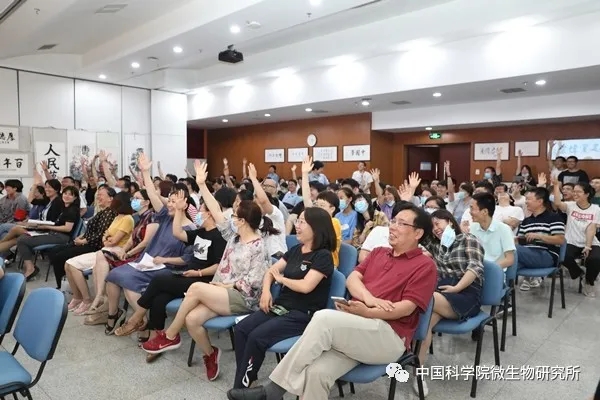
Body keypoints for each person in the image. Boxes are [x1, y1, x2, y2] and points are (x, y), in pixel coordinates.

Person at [226, 203, 437, 400]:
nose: (393, 227)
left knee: (323, 318)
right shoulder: (379, 253)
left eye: (402, 223)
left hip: (387, 337)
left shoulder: (424, 266)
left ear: (418, 233)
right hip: (356, 329)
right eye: (393, 221)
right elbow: (352, 279)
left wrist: (367, 311)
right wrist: (369, 299)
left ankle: (274, 390)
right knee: (316, 373)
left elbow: (405, 308)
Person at [141, 161, 270, 381]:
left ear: (244, 221)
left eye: (235, 217)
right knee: (192, 319)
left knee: (195, 288)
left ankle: (170, 335)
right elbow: (216, 211)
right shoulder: (233, 237)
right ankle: (211, 354)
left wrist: (225, 285)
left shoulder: (258, 246)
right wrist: (201, 185)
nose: (231, 219)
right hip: (221, 291)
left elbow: (254, 284)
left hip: (243, 298)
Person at [115, 192, 227, 361]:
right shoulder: (200, 232)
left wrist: (198, 273)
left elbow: (218, 267)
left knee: (159, 280)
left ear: (210, 214)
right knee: (159, 299)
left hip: (202, 280)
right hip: (189, 275)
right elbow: (178, 233)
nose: (198, 214)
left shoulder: (219, 236)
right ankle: (159, 338)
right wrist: (180, 211)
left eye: (201, 211)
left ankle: (136, 318)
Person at [232, 207, 336, 389]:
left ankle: (240, 388)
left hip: (302, 314)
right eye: (298, 221)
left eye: (302, 222)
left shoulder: (323, 256)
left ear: (316, 228)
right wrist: (266, 292)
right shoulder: (296, 250)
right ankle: (248, 380)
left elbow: (306, 286)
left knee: (257, 337)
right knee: (241, 329)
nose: (297, 225)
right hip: (281, 306)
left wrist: (281, 279)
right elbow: (270, 271)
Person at [103, 153, 195, 335]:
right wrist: (145, 172)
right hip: (148, 262)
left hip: (166, 268)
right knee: (113, 275)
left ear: (184, 205)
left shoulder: (191, 229)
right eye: (169, 200)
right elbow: (152, 195)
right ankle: (116, 315)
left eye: (173, 201)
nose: (169, 204)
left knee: (127, 282)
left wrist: (163, 259)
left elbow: (187, 260)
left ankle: (139, 320)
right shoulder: (166, 217)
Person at [418, 209, 484, 396]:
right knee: (424, 324)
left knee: (424, 299)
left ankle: (402, 351)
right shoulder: (436, 244)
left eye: (438, 224)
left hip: (467, 293)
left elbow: (475, 267)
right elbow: (418, 227)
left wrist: (457, 287)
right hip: (442, 292)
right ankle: (418, 372)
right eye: (432, 226)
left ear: (450, 221)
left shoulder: (468, 239)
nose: (435, 229)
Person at [63, 191, 135, 315]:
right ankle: (77, 297)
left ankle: (87, 300)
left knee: (72, 265)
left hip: (113, 253)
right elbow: (105, 237)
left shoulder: (128, 219)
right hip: (104, 250)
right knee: (67, 264)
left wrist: (107, 239)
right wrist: (107, 239)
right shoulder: (117, 217)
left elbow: (113, 241)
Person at [47, 185, 117, 288]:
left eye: (101, 195)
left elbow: (100, 234)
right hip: (86, 241)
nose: (98, 197)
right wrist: (81, 236)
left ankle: (64, 285)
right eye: (98, 195)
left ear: (110, 198)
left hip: (94, 246)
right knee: (54, 251)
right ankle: (66, 282)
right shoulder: (103, 211)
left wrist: (83, 241)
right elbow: (91, 229)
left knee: (60, 256)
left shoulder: (109, 213)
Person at [15, 186, 81, 281]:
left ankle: (30, 269)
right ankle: (30, 267)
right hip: (54, 233)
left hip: (62, 237)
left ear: (75, 198)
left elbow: (67, 228)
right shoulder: (65, 208)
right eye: (65, 193)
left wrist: (47, 227)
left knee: (22, 240)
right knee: (22, 237)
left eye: (70, 195)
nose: (66, 196)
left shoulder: (72, 210)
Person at [551, 181, 599, 297]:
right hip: (571, 241)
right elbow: (557, 203)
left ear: (587, 194)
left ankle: (589, 282)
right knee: (563, 256)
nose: (575, 194)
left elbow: (591, 228)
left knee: (596, 258)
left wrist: (588, 246)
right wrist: (556, 186)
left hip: (590, 241)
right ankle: (579, 273)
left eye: (578, 192)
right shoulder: (570, 205)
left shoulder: (595, 209)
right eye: (574, 191)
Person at [516, 187, 565, 291]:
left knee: (512, 250)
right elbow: (520, 240)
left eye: (529, 199)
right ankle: (505, 295)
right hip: (526, 254)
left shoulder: (554, 217)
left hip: (547, 255)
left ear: (540, 201)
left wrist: (539, 236)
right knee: (504, 266)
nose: (526, 202)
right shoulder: (526, 221)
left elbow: (560, 240)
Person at [469, 193, 516, 271]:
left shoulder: (504, 229)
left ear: (485, 211)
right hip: (475, 270)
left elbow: (509, 259)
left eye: (472, 208)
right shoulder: (473, 227)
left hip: (494, 272)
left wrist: (488, 269)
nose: (470, 212)